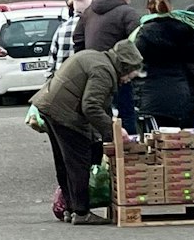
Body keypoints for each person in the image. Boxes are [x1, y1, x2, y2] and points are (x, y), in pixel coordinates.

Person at [32, 39, 143, 225]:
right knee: (78, 163)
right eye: (130, 74)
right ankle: (82, 212)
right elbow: (90, 106)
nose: (128, 79)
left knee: (64, 162)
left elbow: (93, 104)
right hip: (64, 113)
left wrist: (105, 132)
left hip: (51, 106)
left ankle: (69, 208)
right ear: (124, 66)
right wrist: (113, 130)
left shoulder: (96, 57)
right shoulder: (104, 71)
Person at [135, 0, 194, 129]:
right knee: (183, 144)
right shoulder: (186, 30)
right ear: (171, 9)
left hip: (152, 96)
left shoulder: (143, 33)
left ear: (149, 11)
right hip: (181, 96)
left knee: (155, 144)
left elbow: (135, 61)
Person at [81, 0, 143, 134]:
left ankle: (104, 151)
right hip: (120, 72)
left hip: (91, 70)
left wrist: (85, 61)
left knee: (101, 113)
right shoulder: (127, 13)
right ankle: (128, 151)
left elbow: (77, 38)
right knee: (126, 114)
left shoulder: (89, 10)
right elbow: (137, 40)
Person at [52, 0, 91, 69]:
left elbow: (52, 56)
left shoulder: (62, 27)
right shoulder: (91, 26)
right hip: (81, 74)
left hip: (61, 75)